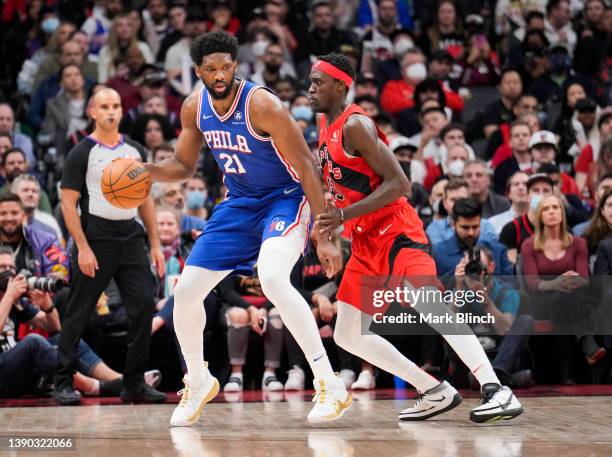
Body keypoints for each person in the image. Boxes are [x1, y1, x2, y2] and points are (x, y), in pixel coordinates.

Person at [144, 31, 349, 427]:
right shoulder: (194, 107)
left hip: (285, 198)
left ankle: (329, 381)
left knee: (273, 278)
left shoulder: (262, 104)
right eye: (211, 69)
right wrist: (147, 171)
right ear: (198, 71)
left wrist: (325, 235)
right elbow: (183, 167)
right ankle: (199, 379)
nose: (219, 74)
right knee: (185, 292)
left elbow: (307, 166)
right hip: (238, 203)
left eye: (226, 67)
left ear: (235, 66)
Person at [310, 52, 522, 423]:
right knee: (346, 333)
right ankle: (433, 389)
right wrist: (328, 228)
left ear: (341, 85)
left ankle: (496, 389)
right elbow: (338, 184)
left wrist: (341, 216)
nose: (310, 87)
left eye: (318, 81)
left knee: (430, 305)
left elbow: (400, 184)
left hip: (396, 231)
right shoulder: (322, 120)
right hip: (365, 240)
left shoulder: (356, 124)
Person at [53, 88, 167, 406]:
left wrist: (155, 243)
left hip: (130, 237)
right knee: (78, 312)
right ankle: (61, 381)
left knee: (144, 305)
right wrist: (83, 247)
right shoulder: (81, 152)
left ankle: (133, 384)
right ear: (92, 111)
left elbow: (144, 199)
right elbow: (67, 204)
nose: (111, 112)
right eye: (104, 106)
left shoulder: (133, 150)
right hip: (96, 237)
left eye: (116, 106)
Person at [432, 198, 513, 276]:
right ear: (453, 224)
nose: (471, 233)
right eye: (465, 227)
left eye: (475, 227)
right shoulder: (438, 253)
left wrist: (488, 280)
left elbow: (511, 285)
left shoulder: (497, 251)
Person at [499, 173, 555, 263]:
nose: (541, 195)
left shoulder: (563, 229)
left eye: (546, 190)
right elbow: (510, 270)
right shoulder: (511, 229)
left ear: (553, 196)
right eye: (536, 190)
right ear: (528, 196)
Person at [489, 172, 530, 236]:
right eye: (516, 184)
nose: (521, 188)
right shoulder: (492, 223)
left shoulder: (542, 222)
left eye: (525, 184)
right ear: (508, 194)